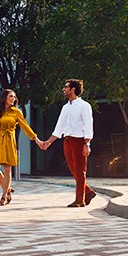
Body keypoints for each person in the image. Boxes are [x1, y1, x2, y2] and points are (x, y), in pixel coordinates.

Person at [0, 89, 44, 206]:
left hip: (9, 140)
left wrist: (36, 140)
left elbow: (26, 127)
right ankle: (8, 189)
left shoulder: (16, 112)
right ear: (4, 98)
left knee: (7, 169)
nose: (13, 99)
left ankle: (4, 196)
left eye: (14, 97)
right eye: (11, 96)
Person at [42, 79, 97, 207]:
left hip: (79, 141)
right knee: (73, 169)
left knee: (80, 170)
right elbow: (59, 127)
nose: (64, 89)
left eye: (66, 87)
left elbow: (88, 126)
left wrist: (86, 144)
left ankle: (80, 200)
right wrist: (48, 142)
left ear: (73, 89)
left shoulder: (84, 106)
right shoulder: (65, 107)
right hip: (67, 141)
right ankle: (87, 192)